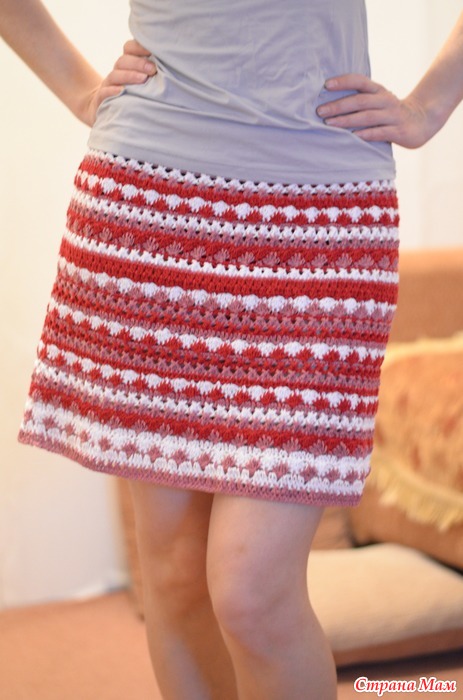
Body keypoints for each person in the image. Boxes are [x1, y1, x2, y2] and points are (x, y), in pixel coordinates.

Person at [2, 2, 463, 698]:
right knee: (176, 576)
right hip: (149, 209)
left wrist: (431, 103)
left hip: (325, 218)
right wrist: (78, 88)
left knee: (253, 593)